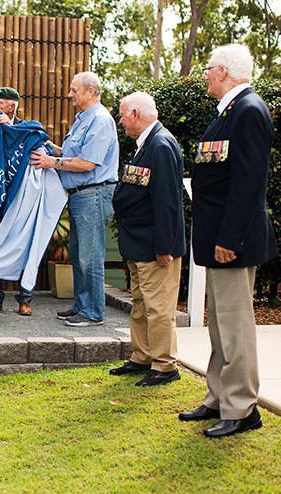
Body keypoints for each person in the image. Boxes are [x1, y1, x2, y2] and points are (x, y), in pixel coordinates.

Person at [179, 44, 278, 438]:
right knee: (220, 326)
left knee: (235, 327)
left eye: (207, 69)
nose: (205, 75)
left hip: (231, 241)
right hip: (218, 238)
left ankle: (242, 407)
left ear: (222, 72)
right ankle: (218, 397)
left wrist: (230, 239)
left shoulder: (249, 111)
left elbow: (249, 184)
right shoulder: (228, 113)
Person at [30, 72, 119, 326]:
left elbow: (87, 163)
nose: (69, 94)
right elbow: (76, 154)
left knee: (90, 255)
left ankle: (93, 312)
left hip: (93, 195)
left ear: (91, 92)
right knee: (80, 254)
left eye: (74, 90)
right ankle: (82, 306)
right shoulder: (83, 120)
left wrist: (52, 161)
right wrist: (53, 148)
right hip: (82, 196)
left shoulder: (100, 120)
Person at [110, 92, 186, 386]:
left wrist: (164, 247)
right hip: (138, 243)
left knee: (158, 308)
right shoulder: (145, 145)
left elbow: (167, 202)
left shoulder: (161, 145)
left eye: (123, 115)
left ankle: (165, 365)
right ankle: (142, 356)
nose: (121, 120)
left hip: (155, 247)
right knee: (141, 304)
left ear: (136, 115)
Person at [0, 86, 35, 316]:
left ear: (12, 106)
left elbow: (35, 148)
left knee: (23, 244)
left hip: (20, 196)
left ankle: (25, 299)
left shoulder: (24, 128)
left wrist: (11, 129)